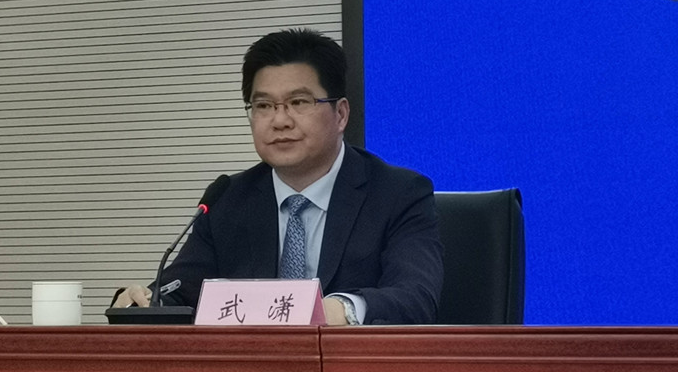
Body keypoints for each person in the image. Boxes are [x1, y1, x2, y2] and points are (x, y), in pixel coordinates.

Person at [112, 28, 443, 325]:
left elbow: (415, 296)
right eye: (264, 106)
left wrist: (338, 309)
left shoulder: (398, 194)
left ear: (341, 114)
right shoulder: (228, 198)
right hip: (252, 370)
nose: (280, 121)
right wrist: (144, 301)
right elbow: (180, 291)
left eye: (298, 102)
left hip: (353, 369)